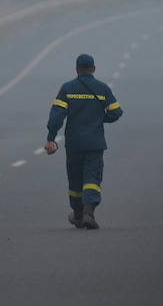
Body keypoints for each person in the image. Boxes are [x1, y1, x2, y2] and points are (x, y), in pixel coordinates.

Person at [45, 53, 123, 229]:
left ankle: (78, 214)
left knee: (75, 179)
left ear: (77, 70)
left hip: (74, 143)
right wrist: (99, 118)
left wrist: (51, 138)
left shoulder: (67, 88)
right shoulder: (102, 89)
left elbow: (56, 116)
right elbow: (116, 112)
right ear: (94, 69)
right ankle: (89, 212)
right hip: (95, 143)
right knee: (92, 178)